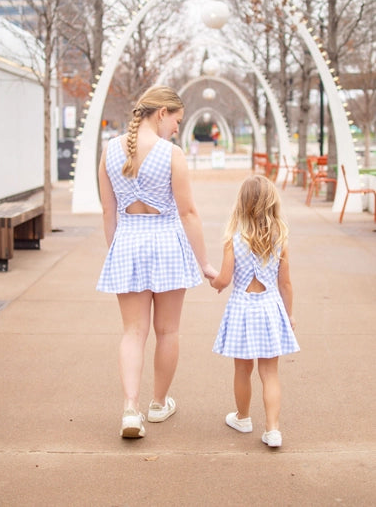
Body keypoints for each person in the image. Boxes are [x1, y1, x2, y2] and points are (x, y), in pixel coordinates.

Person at [97, 85, 217, 439]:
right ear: (162, 113)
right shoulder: (171, 154)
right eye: (177, 120)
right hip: (167, 243)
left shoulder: (108, 151)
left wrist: (116, 251)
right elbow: (189, 213)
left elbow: (108, 211)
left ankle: (130, 409)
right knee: (168, 331)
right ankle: (158, 403)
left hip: (128, 241)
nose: (178, 128)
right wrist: (205, 263)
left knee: (133, 332)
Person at [210, 175, 299, 448]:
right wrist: (289, 314)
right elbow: (285, 283)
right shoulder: (279, 239)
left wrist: (214, 280)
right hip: (270, 307)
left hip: (242, 309)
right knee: (270, 373)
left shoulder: (234, 240)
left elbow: (224, 280)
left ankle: (243, 417)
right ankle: (273, 430)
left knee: (242, 369)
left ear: (242, 204)